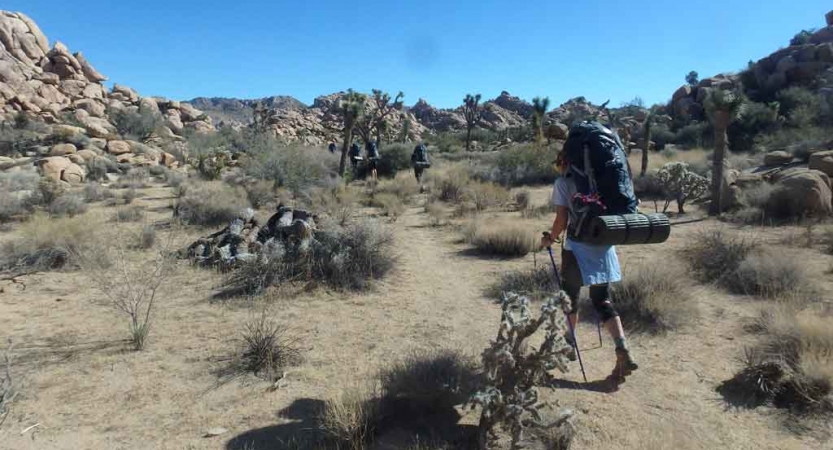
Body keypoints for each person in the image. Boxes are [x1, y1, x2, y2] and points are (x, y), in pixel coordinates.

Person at [540, 150, 638, 385]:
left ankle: (569, 343)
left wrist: (550, 239)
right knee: (602, 300)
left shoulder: (564, 183)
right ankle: (621, 346)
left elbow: (561, 220)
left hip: (576, 248)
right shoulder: (605, 179)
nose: (558, 168)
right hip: (604, 243)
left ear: (565, 162)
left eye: (558, 164)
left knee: (570, 298)